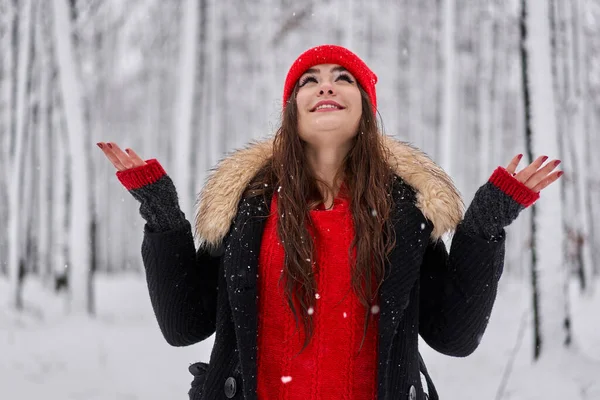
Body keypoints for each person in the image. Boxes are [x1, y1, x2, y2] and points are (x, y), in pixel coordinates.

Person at [98, 44, 562, 400]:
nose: (326, 86)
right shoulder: (248, 206)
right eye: (309, 80)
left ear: (364, 107)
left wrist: (484, 222)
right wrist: (161, 212)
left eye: (342, 79)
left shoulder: (405, 212)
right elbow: (184, 324)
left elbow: (454, 336)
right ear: (292, 111)